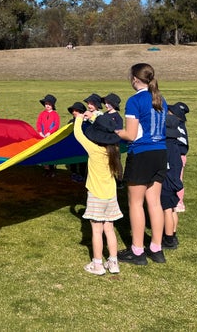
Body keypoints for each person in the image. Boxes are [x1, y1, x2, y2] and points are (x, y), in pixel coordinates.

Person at [115, 63, 169, 265]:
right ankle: (156, 248)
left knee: (135, 203)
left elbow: (130, 134)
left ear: (134, 79)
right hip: (160, 153)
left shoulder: (134, 100)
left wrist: (114, 132)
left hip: (142, 154)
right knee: (154, 203)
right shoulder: (160, 98)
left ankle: (137, 251)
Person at [72, 109, 123, 275]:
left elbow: (78, 134)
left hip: (96, 195)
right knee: (109, 229)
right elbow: (106, 126)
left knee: (96, 231)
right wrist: (93, 117)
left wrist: (79, 118)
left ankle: (97, 264)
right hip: (111, 196)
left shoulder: (93, 149)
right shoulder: (114, 149)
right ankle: (113, 263)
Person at [160, 106, 185, 250]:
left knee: (167, 210)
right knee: (173, 209)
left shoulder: (166, 146)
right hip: (174, 181)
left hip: (167, 183)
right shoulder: (176, 145)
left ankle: (168, 239)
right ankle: (173, 234)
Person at [169, 102, 190, 213]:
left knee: (177, 180)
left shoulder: (178, 126)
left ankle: (179, 203)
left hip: (178, 156)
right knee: (174, 179)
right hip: (177, 155)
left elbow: (182, 145)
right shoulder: (178, 124)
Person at [37, 94, 60, 177]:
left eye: (49, 104)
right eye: (46, 104)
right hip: (42, 137)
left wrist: (50, 133)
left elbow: (56, 125)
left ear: (52, 105)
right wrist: (40, 132)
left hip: (51, 137)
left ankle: (52, 169)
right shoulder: (42, 114)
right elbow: (39, 123)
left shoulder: (55, 114)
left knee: (51, 153)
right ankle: (46, 169)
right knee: (44, 153)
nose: (47, 106)